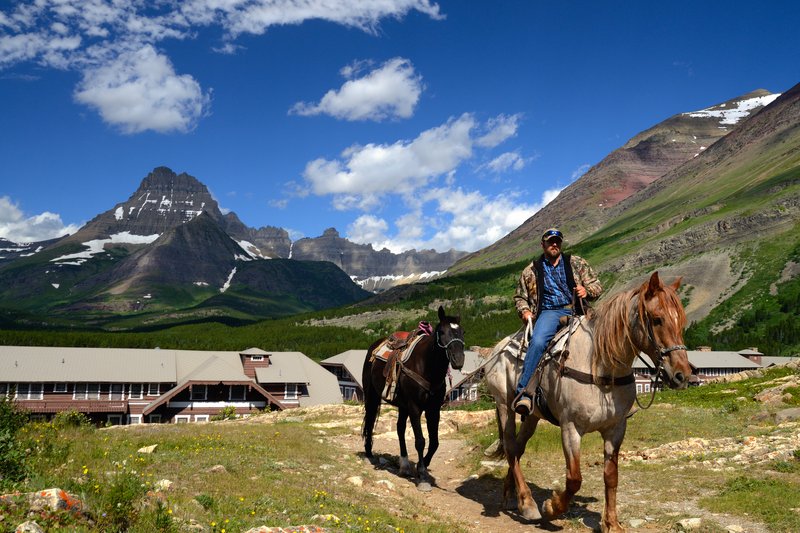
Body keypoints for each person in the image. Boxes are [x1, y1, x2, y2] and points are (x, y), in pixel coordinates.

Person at [512, 228, 602, 416]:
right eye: (551, 241)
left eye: (558, 242)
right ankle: (524, 392)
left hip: (578, 310)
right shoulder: (531, 271)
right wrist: (525, 311)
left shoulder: (577, 263)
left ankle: (614, 390)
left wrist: (587, 291)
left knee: (604, 335)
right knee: (537, 343)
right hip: (549, 312)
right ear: (543, 244)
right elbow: (520, 297)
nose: (555, 244)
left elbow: (596, 285)